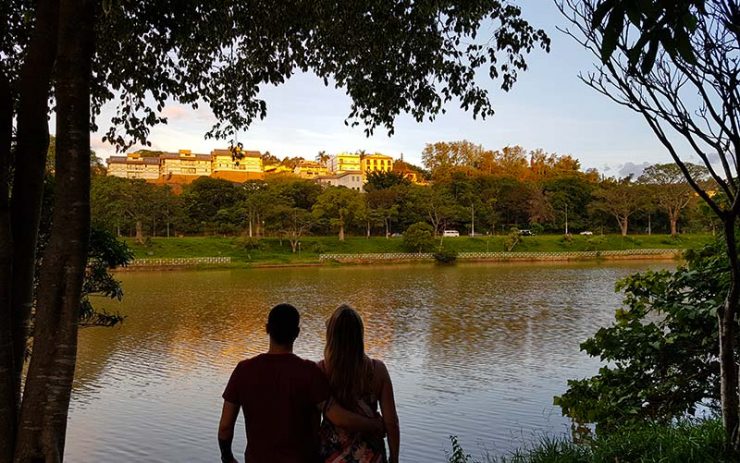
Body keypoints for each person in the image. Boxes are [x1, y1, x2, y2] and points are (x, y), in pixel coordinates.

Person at [218, 303, 383, 463]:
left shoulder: (243, 370)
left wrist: (227, 458)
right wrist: (374, 424)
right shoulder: (309, 372)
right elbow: (338, 417)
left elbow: (225, 427)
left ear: (267, 329)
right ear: (297, 333)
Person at [319, 305, 400, 463]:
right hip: (371, 456)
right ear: (359, 335)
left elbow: (311, 421)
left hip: (331, 456)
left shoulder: (320, 371)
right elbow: (391, 422)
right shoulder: (378, 370)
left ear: (331, 336)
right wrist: (394, 458)